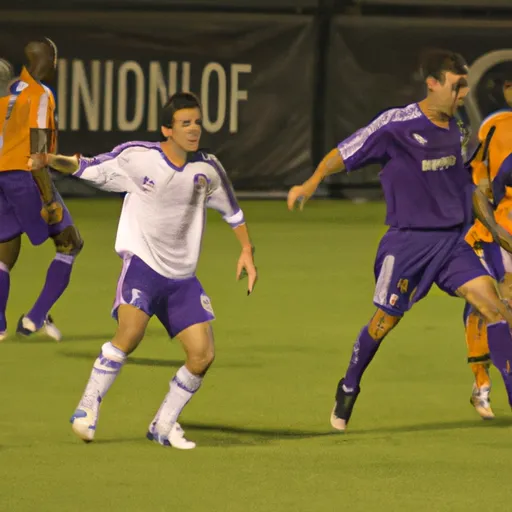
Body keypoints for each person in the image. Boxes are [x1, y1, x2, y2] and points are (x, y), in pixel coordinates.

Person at [287, 49, 512, 432]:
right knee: (383, 322)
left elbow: (467, 186)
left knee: (495, 308)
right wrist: (311, 182)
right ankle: (349, 385)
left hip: (451, 245)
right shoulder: (396, 125)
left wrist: (496, 231)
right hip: (407, 245)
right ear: (433, 84)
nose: (462, 95)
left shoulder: (457, 130)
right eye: (456, 86)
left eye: (464, 88)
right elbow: (345, 151)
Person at [29, 92, 258, 449]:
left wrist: (246, 250)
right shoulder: (138, 157)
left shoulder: (208, 168)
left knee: (202, 356)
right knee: (130, 334)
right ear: (167, 129)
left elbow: (233, 211)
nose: (194, 129)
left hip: (182, 280)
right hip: (143, 266)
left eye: (197, 121)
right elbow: (87, 166)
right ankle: (86, 408)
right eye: (185, 123)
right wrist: (49, 160)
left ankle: (163, 425)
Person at [0, 39, 83, 341]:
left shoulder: (8, 90)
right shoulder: (40, 94)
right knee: (70, 243)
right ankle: (34, 318)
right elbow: (37, 153)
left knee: (5, 250)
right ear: (47, 60)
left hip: (1, 174)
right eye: (55, 58)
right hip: (24, 176)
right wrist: (48, 199)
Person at [464, 70, 512, 419]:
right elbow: (478, 173)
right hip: (495, 230)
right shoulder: (494, 125)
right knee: (484, 303)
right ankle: (481, 381)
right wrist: (486, 213)